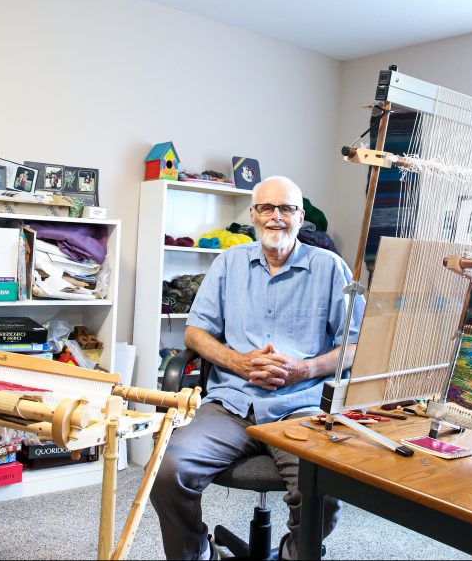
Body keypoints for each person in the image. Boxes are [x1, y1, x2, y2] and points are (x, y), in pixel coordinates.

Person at [150, 175, 365, 560]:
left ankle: (291, 553)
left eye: (286, 209)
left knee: (327, 489)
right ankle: (199, 553)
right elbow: (195, 333)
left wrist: (303, 368)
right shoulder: (228, 263)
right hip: (231, 403)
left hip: (300, 409)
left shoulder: (330, 268)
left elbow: (356, 345)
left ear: (301, 218)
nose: (276, 218)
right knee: (167, 473)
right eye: (267, 208)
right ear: (253, 214)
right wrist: (239, 362)